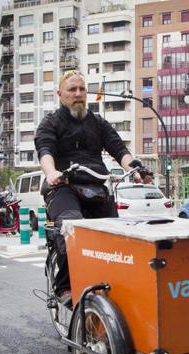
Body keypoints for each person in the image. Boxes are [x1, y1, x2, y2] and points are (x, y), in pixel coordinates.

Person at [35, 69, 145, 302]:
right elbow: (45, 150)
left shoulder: (98, 122)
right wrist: (52, 172)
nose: (78, 94)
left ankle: (114, 284)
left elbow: (119, 149)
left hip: (96, 186)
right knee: (71, 226)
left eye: (82, 89)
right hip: (63, 186)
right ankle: (64, 287)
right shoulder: (50, 122)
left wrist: (133, 168)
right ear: (60, 94)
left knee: (115, 235)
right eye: (72, 90)